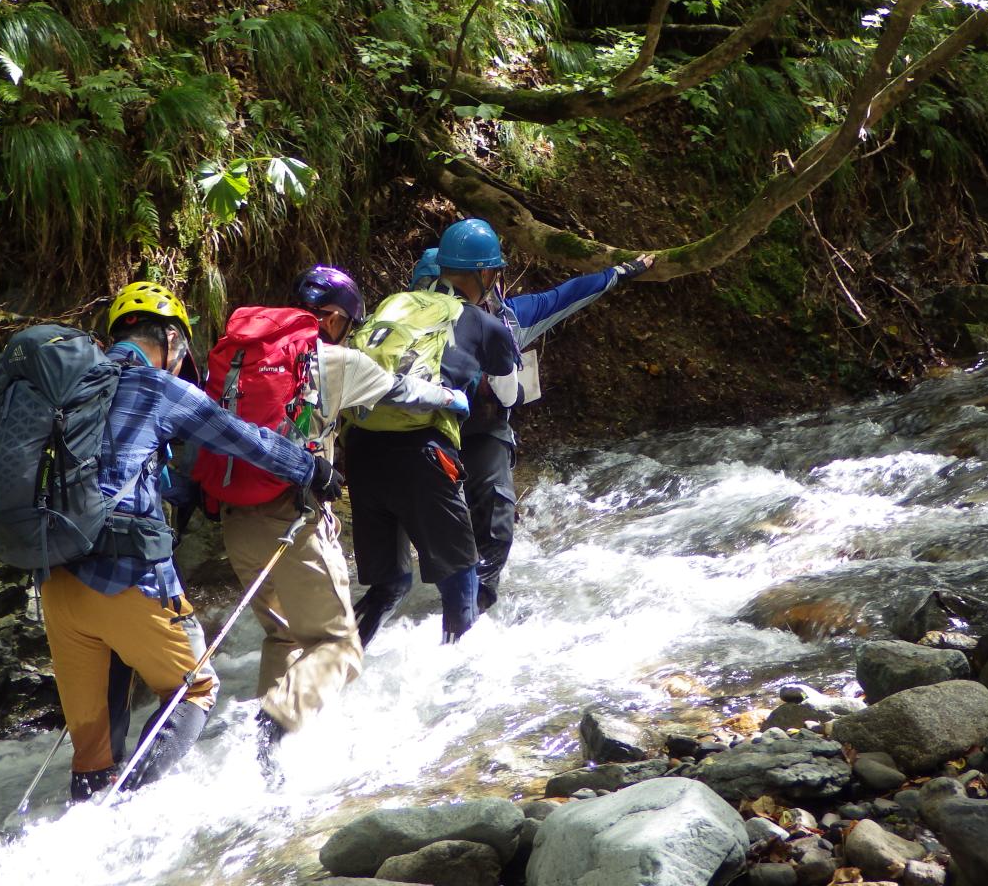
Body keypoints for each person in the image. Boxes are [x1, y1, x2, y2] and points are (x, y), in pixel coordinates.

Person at [39, 281, 341, 800]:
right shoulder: (156, 387)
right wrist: (309, 467)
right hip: (127, 578)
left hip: (58, 584)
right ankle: (129, 809)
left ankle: (91, 823)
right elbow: (241, 437)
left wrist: (188, 490)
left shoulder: (74, 389)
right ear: (173, 339)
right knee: (194, 690)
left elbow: (118, 475)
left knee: (92, 756)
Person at [212, 267, 469, 773]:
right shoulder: (336, 360)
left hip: (234, 516)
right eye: (348, 323)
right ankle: (272, 725)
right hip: (292, 519)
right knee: (339, 646)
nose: (348, 332)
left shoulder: (246, 355)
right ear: (332, 318)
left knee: (285, 637)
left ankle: (264, 770)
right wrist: (452, 399)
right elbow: (403, 391)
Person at [409, 223, 655, 610]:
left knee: (493, 513)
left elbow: (567, 295)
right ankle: (456, 599)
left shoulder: (509, 318)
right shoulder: (408, 325)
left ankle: (477, 601)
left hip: (478, 434)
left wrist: (619, 273)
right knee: (453, 525)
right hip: (423, 437)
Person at [346, 219, 520, 647]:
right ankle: (457, 693)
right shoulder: (482, 322)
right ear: (485, 274)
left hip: (361, 452)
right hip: (424, 456)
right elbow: (508, 392)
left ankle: (321, 680)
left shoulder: (397, 303)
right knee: (459, 580)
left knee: (390, 586)